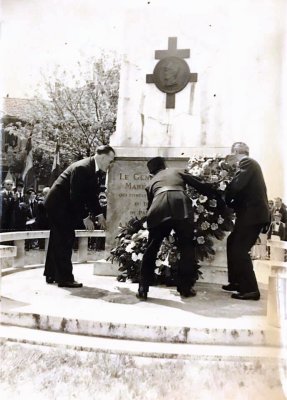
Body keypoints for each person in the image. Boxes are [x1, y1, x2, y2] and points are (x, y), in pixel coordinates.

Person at [137, 156, 224, 300]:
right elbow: (198, 184)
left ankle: (143, 289)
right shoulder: (176, 171)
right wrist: (216, 196)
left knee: (151, 250)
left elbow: (150, 206)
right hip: (181, 206)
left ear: (151, 173)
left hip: (158, 209)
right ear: (164, 166)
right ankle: (185, 289)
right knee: (186, 247)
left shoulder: (151, 182)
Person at [44, 145, 115, 288]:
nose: (110, 164)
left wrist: (99, 215)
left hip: (64, 206)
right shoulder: (82, 168)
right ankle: (65, 278)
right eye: (110, 160)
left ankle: (52, 274)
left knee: (58, 239)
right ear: (102, 157)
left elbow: (91, 196)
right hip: (58, 205)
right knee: (65, 239)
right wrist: (85, 218)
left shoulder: (92, 169)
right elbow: (75, 196)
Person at [222, 142, 270, 300]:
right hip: (250, 215)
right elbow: (241, 193)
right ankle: (237, 281)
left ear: (236, 152)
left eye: (232, 154)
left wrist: (224, 193)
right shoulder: (250, 167)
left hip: (253, 215)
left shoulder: (247, 163)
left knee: (240, 249)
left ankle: (251, 289)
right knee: (232, 241)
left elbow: (236, 186)